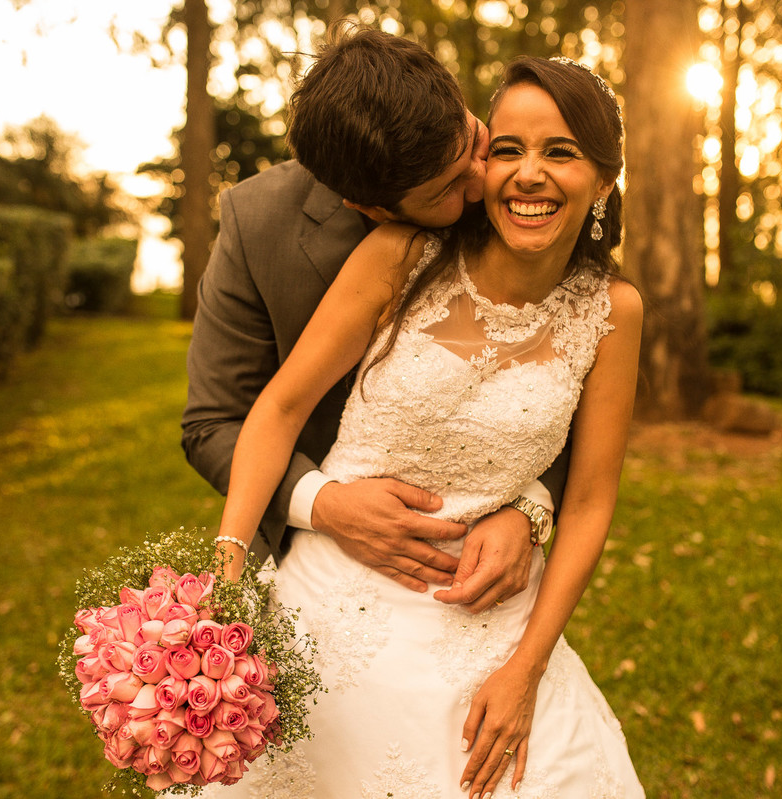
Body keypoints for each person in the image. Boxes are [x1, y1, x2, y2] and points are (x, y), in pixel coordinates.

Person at [205, 56, 646, 798]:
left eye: (560, 152)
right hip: (334, 605)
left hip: (492, 620)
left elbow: (593, 497)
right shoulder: (399, 251)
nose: (519, 174)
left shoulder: (612, 311)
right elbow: (270, 408)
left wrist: (526, 663)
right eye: (506, 149)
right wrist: (224, 581)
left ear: (604, 180)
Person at [181, 26, 566, 614]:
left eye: (474, 141)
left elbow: (567, 372)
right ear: (370, 208)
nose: (483, 181)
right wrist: (324, 503)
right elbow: (215, 423)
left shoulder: (517, 197)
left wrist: (530, 508)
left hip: (479, 578)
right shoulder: (256, 223)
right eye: (447, 188)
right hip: (315, 567)